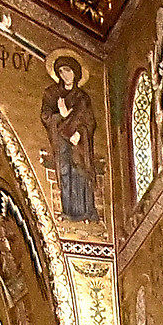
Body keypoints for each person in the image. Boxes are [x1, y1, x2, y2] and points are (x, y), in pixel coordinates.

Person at [42, 55, 101, 221]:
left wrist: (80, 133)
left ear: (75, 72)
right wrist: (62, 116)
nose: (64, 75)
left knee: (80, 171)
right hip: (60, 140)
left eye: (67, 71)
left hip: (79, 141)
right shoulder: (52, 94)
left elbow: (90, 122)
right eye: (61, 71)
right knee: (65, 171)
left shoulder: (82, 98)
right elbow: (46, 116)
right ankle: (68, 212)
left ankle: (88, 211)